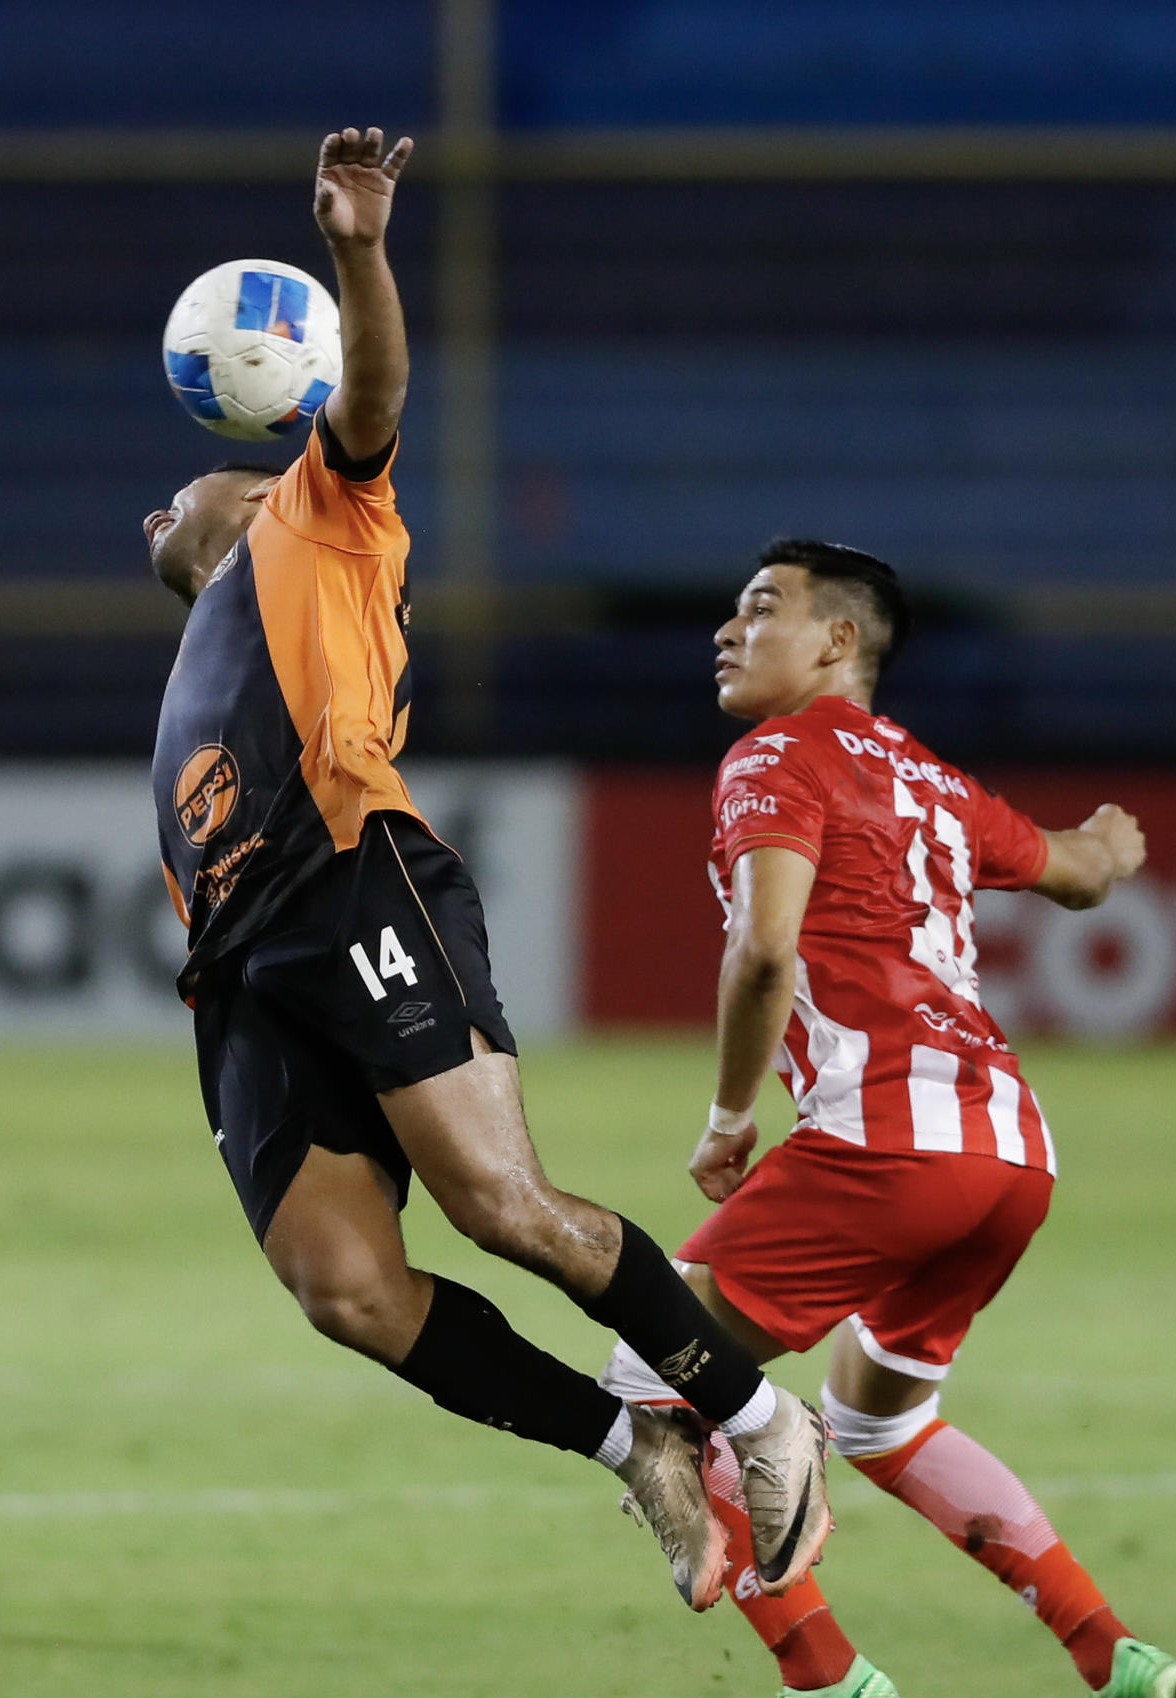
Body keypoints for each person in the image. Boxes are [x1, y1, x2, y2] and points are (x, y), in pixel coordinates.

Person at [143, 129, 831, 1620]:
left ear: (257, 489)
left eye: (185, 486)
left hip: (348, 881)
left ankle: (765, 1426)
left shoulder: (322, 521)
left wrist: (361, 254)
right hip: (246, 971)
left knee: (504, 1209)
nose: (159, 505)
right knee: (346, 1290)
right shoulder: (206, 648)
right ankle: (628, 1445)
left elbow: (374, 394)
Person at [601, 538, 1176, 1698]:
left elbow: (763, 953)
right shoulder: (927, 775)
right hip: (1010, 1154)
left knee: (649, 1381)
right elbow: (1079, 873)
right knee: (875, 1422)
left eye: (760, 607)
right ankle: (1113, 1655)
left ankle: (820, 1675)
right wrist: (1105, 840)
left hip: (885, 1143)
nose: (725, 627)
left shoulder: (772, 758)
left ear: (835, 646)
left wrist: (722, 1119)